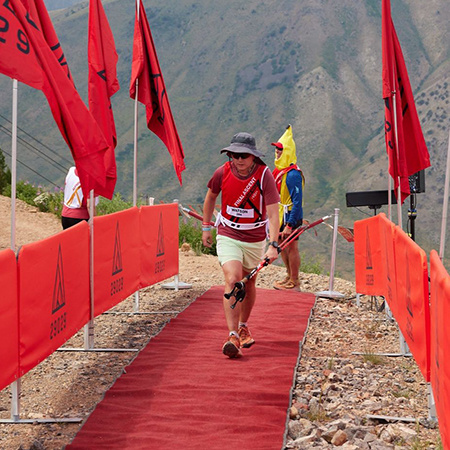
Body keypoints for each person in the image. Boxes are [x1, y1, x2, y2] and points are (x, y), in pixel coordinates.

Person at [202, 132, 280, 359]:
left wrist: (273, 244)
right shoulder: (221, 172)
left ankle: (244, 325)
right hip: (228, 233)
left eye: (244, 155)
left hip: (255, 238)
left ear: (253, 156)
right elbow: (210, 197)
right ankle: (233, 335)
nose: (239, 160)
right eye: (234, 155)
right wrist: (206, 227)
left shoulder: (264, 175)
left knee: (250, 282)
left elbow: (274, 214)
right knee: (233, 280)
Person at [271, 125, 305, 291]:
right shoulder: (279, 171)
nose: (277, 153)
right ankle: (288, 274)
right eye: (277, 150)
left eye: (280, 150)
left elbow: (297, 201)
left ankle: (295, 280)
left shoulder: (292, 174)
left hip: (291, 214)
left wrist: (290, 224)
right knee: (282, 245)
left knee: (291, 247)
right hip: (280, 214)